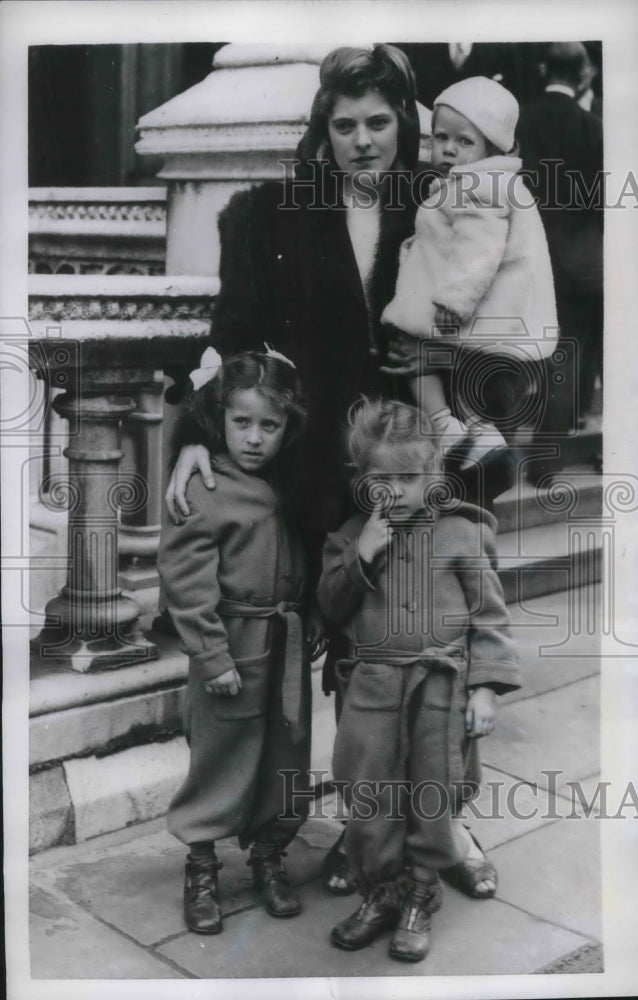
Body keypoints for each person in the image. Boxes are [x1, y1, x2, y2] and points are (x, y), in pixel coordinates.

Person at [164, 43, 517, 898]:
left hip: (420, 474)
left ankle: (448, 824)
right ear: (324, 129)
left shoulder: (449, 202)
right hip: (315, 481)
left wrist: (471, 424)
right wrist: (192, 432)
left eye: (380, 122)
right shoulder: (269, 215)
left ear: (407, 123)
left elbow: (502, 327)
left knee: (440, 653)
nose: (363, 141)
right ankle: (366, 832)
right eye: (345, 123)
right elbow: (234, 340)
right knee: (352, 666)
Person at [317, 399, 520, 962]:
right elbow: (330, 607)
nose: (396, 491)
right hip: (373, 690)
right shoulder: (350, 537)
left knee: (433, 795)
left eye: (409, 477)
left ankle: (420, 896)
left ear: (433, 476)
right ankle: (380, 892)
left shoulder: (460, 533)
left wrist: (484, 689)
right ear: (361, 480)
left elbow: (490, 618)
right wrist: (361, 555)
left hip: (439, 689)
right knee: (369, 796)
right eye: (382, 479)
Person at [158, 347, 316, 935]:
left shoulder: (289, 484)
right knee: (221, 755)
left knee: (285, 752)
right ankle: (200, 865)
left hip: (286, 639)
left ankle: (269, 854)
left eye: (269, 425)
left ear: (287, 427)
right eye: (241, 422)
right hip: (230, 642)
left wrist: (311, 625)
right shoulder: (201, 485)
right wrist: (211, 654)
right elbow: (185, 578)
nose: (254, 438)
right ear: (218, 419)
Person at [381, 76, 557, 465]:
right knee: (468, 388)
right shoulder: (492, 183)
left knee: (405, 337)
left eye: (464, 142)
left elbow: (480, 248)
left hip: (467, 313)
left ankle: (443, 421)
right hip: (490, 325)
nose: (448, 150)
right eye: (441, 137)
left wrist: (455, 298)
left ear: (493, 147)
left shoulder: (478, 186)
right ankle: (477, 429)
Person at [517, 42, 603, 483]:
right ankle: (546, 463)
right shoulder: (593, 126)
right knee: (565, 356)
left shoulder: (524, 120)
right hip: (581, 264)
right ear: (582, 74)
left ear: (543, 68)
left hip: (531, 251)